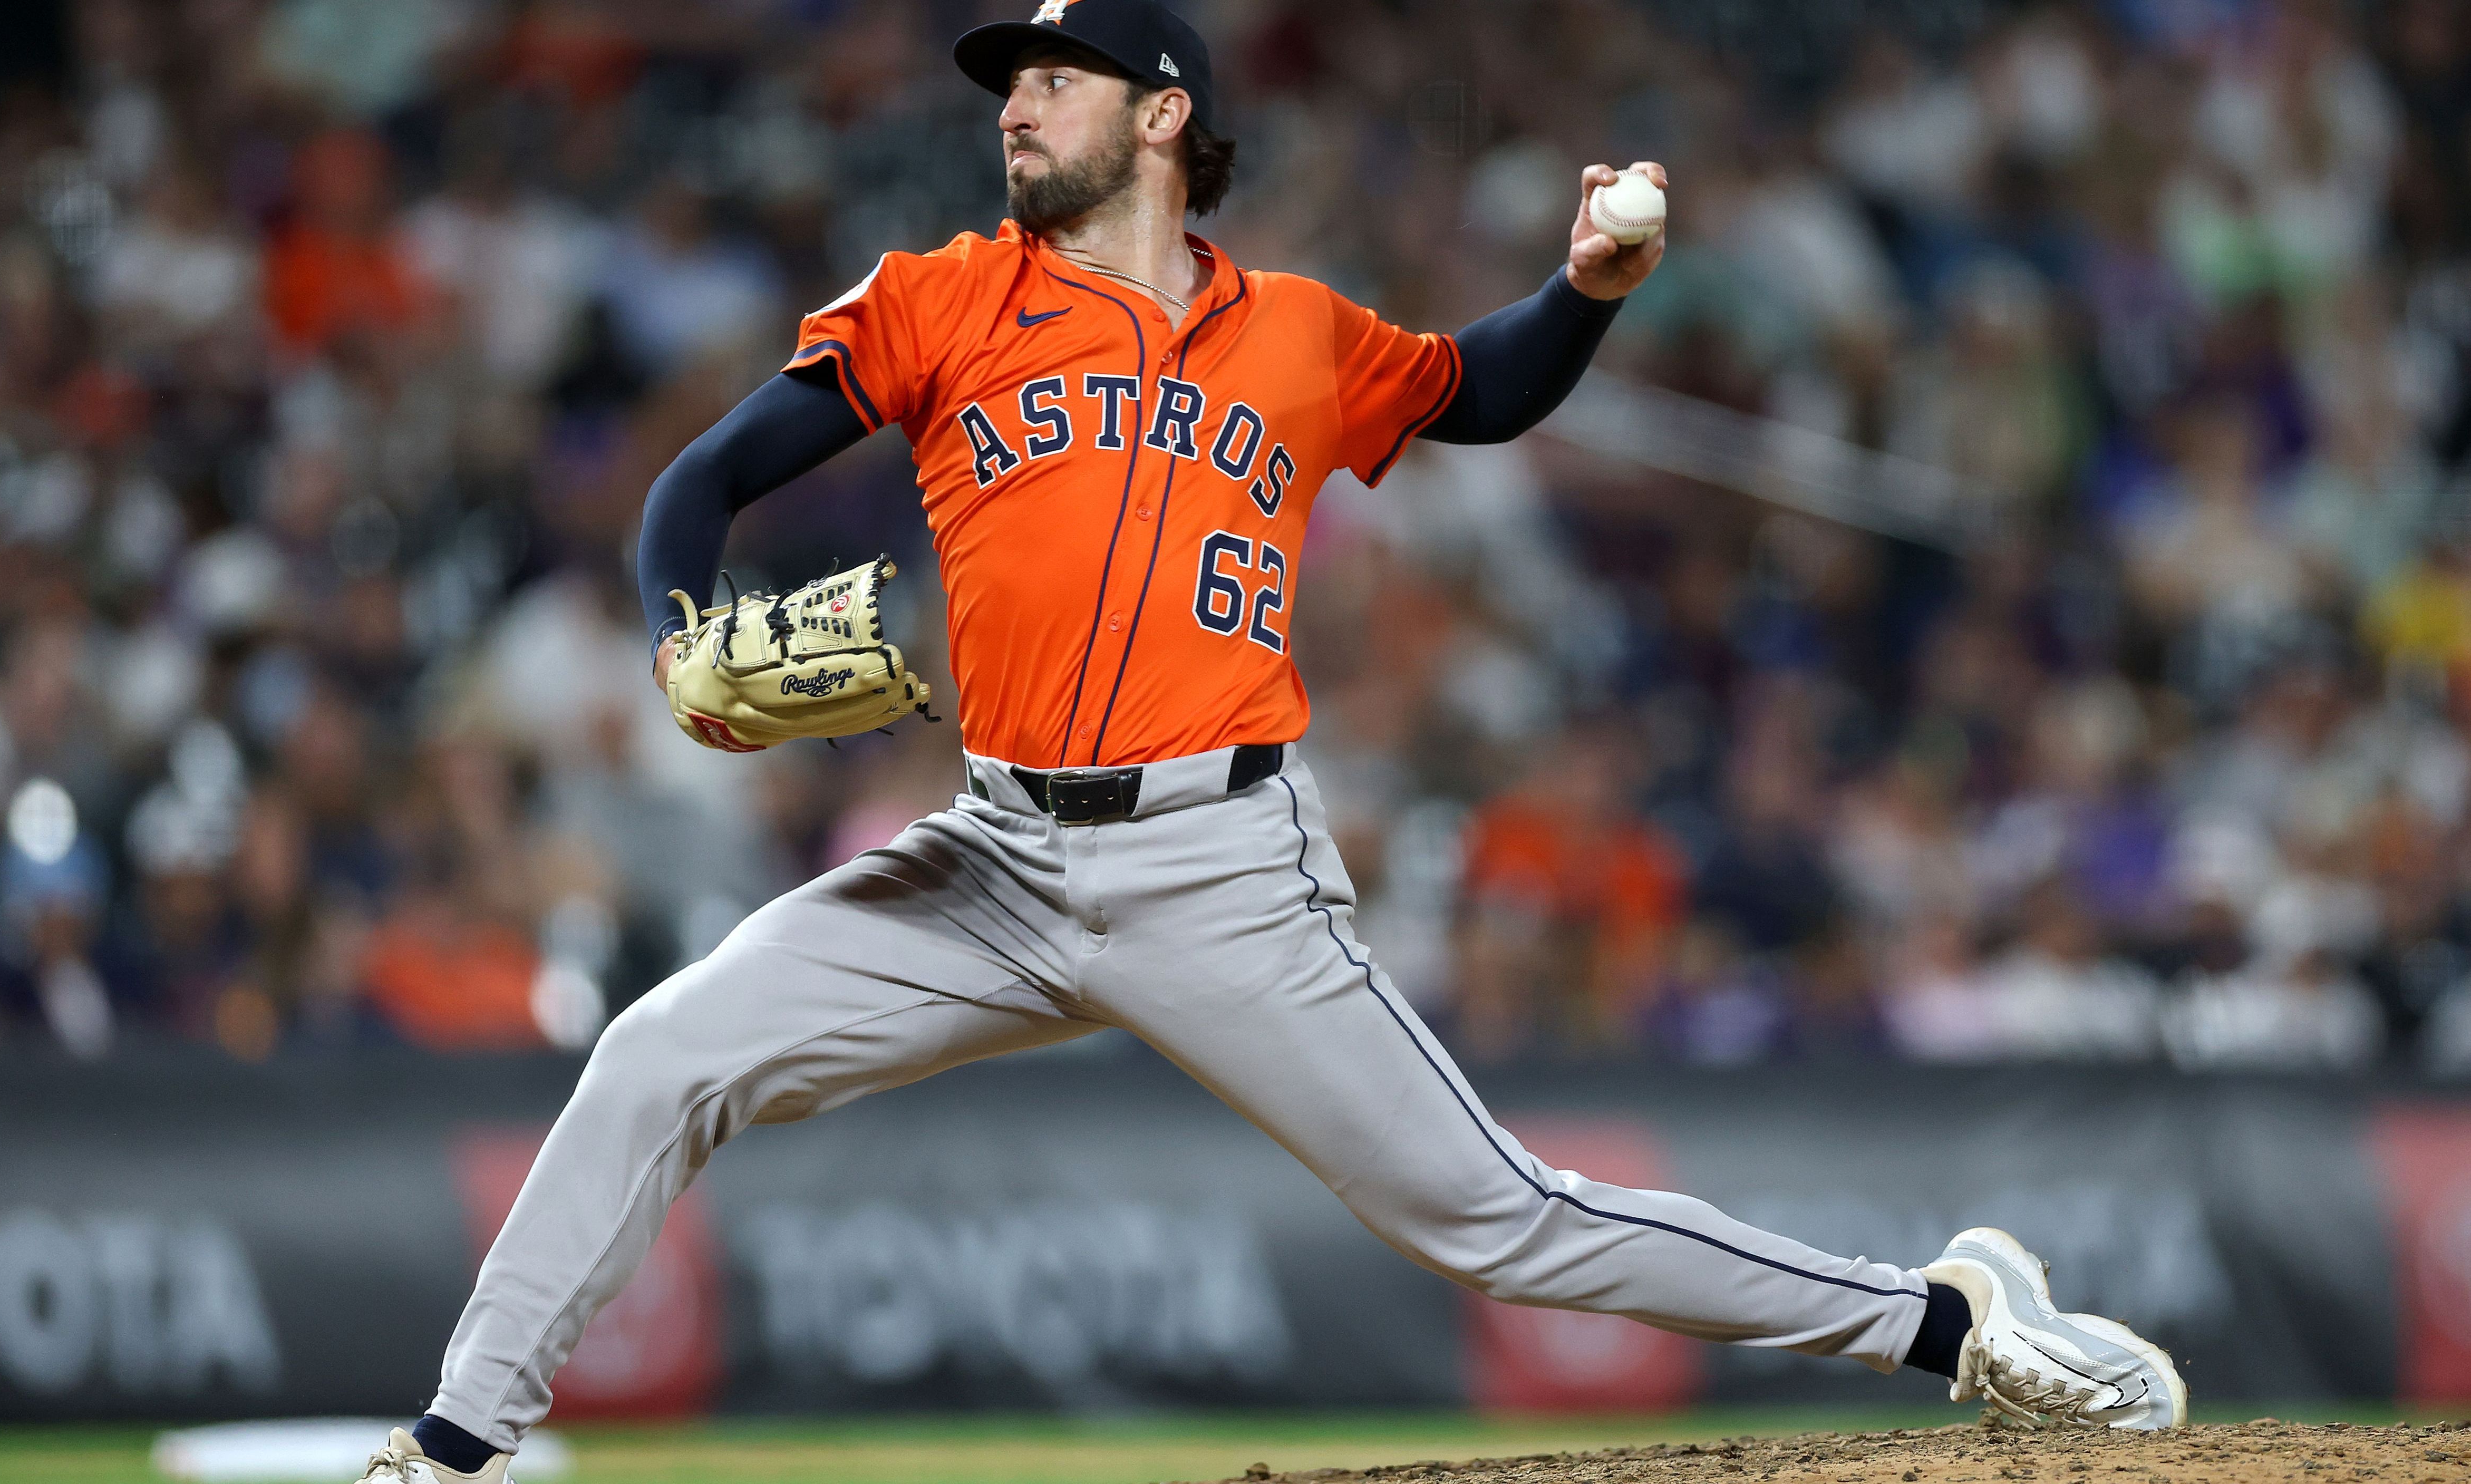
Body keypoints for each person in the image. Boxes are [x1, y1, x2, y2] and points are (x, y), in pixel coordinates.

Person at [358, 4, 2183, 1478]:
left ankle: (1948, 1320)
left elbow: (1483, 389)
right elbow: (703, 481)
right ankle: (453, 1450)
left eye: (1053, 77)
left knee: (1495, 1221)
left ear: (1162, 115)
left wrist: (1593, 291)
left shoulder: (1297, 337)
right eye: (1009, 81)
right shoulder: (942, 298)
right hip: (985, 859)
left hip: (1217, 867)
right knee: (662, 1049)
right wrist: (684, 628)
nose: (1016, 104)